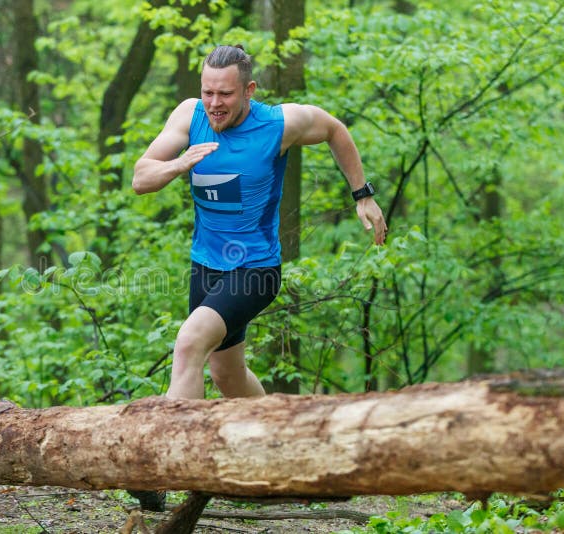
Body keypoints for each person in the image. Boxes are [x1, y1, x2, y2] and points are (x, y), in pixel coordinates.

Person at [133, 44, 387, 402]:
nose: (214, 103)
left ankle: (177, 452)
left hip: (255, 269)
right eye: (208, 92)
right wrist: (177, 165)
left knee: (189, 343)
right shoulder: (190, 116)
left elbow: (334, 130)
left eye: (225, 94)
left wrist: (363, 194)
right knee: (227, 373)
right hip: (205, 266)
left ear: (249, 91)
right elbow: (140, 179)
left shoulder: (279, 125)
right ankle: (273, 434)